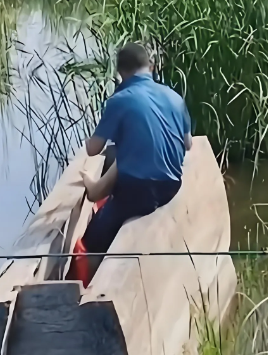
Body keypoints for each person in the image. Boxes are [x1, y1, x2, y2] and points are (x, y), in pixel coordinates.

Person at [81, 42, 193, 265]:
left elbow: (93, 150)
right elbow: (188, 143)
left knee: (93, 239)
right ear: (150, 67)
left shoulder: (118, 101)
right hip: (171, 186)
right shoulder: (174, 97)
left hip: (137, 192)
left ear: (121, 73)